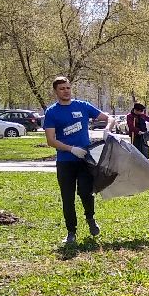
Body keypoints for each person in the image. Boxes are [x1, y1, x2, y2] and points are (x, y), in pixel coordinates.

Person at [43, 76, 104, 246]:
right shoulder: (52, 112)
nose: (66, 91)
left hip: (85, 159)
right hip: (65, 161)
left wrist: (109, 128)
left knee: (86, 192)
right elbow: (50, 140)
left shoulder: (82, 106)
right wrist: (70, 149)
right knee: (67, 198)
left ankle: (90, 218)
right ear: (56, 91)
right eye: (62, 89)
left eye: (68, 88)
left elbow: (107, 118)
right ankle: (71, 232)